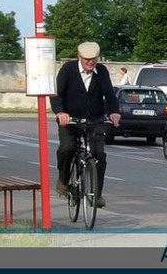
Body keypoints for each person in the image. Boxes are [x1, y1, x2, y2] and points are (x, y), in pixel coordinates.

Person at [50, 42, 121, 208]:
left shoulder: (101, 71)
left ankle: (97, 194)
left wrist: (114, 111)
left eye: (94, 59)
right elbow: (56, 94)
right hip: (70, 120)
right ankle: (64, 180)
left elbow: (109, 94)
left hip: (94, 120)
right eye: (87, 59)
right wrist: (61, 112)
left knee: (99, 154)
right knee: (67, 148)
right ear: (79, 57)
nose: (91, 62)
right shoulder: (68, 70)